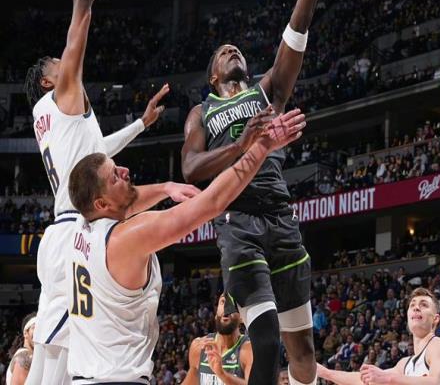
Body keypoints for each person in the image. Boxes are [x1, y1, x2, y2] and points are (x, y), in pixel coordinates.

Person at [66, 109, 305, 383]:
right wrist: (262, 147)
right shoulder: (124, 239)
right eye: (115, 177)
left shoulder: (81, 225)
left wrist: (166, 187)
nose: (125, 171)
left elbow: (127, 201)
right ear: (101, 204)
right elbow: (212, 202)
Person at [23, 0, 168, 383]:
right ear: (48, 80)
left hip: (59, 231)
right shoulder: (63, 95)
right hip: (74, 230)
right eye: (57, 63)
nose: (64, 60)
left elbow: (97, 149)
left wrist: (141, 124)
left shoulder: (49, 119)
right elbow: (83, 1)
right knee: (69, 358)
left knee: (50, 354)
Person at [181, 0, 325, 384]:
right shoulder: (202, 111)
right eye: (223, 52)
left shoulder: (266, 92)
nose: (232, 51)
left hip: (280, 218)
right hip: (238, 223)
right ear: (213, 76)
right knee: (264, 340)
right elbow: (191, 168)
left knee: (303, 353)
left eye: (236, 50)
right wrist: (241, 144)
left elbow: (298, 27)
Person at [318, 287, 440, 385]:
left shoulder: (438, 345)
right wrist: (325, 372)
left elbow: (439, 382)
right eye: (412, 305)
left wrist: (388, 378)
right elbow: (363, 380)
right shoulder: (404, 365)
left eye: (423, 305)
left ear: (435, 319)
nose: (416, 307)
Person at [183, 294, 253, 384]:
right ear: (216, 314)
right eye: (223, 302)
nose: (227, 308)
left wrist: (222, 374)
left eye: (233, 304)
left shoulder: (249, 350)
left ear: (242, 318)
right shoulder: (198, 347)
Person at [6, 313, 36, 385]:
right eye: (34, 328)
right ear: (25, 333)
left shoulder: (27, 354)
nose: (38, 333)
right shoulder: (24, 356)